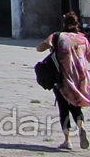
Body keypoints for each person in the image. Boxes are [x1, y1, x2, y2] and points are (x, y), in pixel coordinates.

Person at [37, 11, 90, 150]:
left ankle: (67, 140)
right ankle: (81, 126)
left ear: (64, 24)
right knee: (75, 106)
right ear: (77, 24)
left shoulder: (57, 37)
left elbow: (40, 48)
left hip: (62, 78)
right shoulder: (83, 39)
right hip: (80, 80)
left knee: (63, 109)